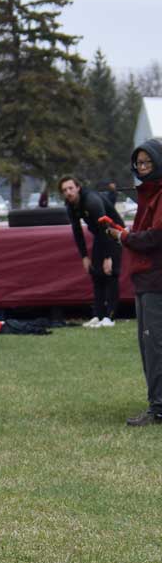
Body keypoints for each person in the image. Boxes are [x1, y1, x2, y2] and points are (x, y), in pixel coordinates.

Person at [118, 140, 162, 425]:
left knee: (155, 344)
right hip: (145, 279)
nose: (143, 168)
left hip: (156, 280)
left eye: (148, 162)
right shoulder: (148, 194)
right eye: (139, 163)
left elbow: (155, 237)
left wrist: (123, 237)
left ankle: (158, 408)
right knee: (149, 344)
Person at [59, 175, 122, 327]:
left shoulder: (91, 201)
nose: (68, 192)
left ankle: (110, 317)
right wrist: (84, 256)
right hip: (100, 235)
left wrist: (108, 257)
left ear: (78, 188)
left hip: (114, 233)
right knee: (96, 274)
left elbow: (105, 227)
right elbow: (77, 231)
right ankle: (98, 315)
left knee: (110, 273)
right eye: (65, 190)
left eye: (71, 188)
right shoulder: (70, 205)